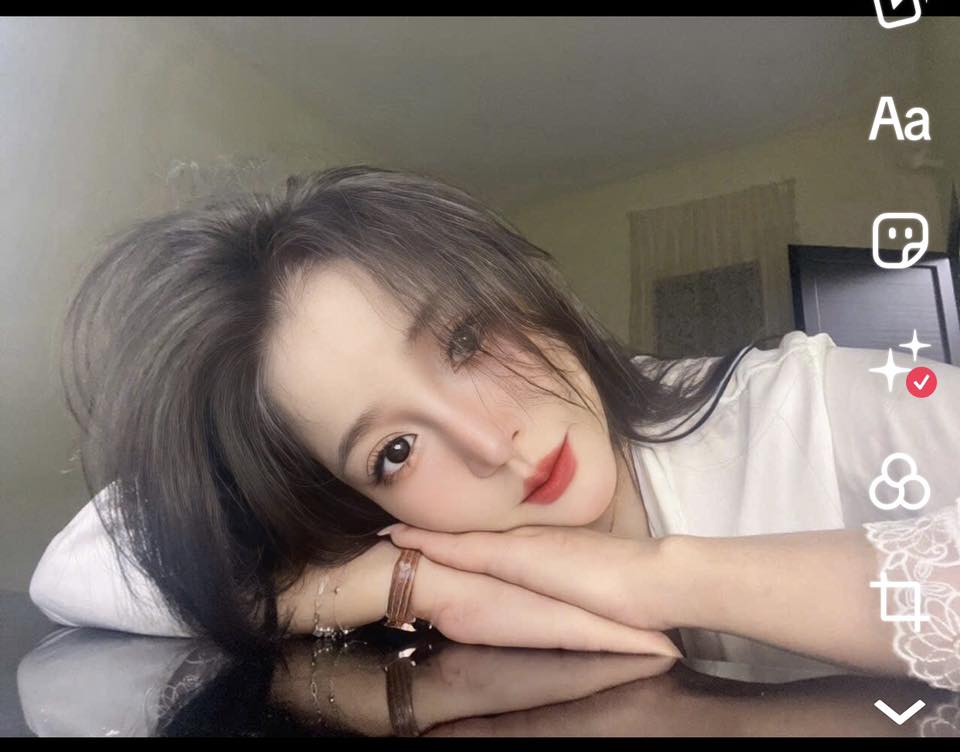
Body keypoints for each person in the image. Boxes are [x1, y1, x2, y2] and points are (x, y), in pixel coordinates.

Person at [29, 165, 960, 692]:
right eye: (394, 451)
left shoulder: (808, 403)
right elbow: (79, 562)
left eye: (466, 339)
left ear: (520, 292)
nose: (488, 441)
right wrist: (403, 582)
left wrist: (660, 577)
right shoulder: (416, 547)